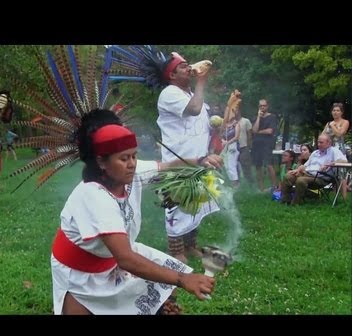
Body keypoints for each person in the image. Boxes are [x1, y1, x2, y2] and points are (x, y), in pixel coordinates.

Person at [51, 109, 218, 315]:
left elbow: (167, 166)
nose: (131, 164)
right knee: (173, 277)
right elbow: (127, 259)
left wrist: (200, 161)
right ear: (102, 162)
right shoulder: (94, 196)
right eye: (123, 159)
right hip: (80, 274)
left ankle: (160, 307)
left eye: (134, 156)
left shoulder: (131, 171)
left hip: (115, 259)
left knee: (165, 285)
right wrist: (183, 280)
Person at [156, 52, 219, 262]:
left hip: (198, 161)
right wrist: (202, 81)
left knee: (197, 205)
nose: (189, 68)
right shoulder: (169, 93)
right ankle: (176, 251)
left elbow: (201, 123)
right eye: (183, 66)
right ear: (172, 75)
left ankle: (191, 246)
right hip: (178, 162)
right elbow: (193, 110)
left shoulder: (190, 93)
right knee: (177, 207)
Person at [281, 134, 347, 205]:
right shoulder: (315, 152)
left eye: (321, 142)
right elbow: (305, 165)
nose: (318, 144)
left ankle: (296, 203)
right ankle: (286, 200)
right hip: (307, 173)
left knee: (301, 180)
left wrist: (330, 164)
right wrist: (298, 170)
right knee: (288, 176)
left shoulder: (334, 151)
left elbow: (344, 161)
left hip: (321, 178)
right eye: (318, 142)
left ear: (329, 143)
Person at [251, 98, 279, 192]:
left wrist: (259, 131)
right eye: (260, 106)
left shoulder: (272, 117)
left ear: (267, 106)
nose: (262, 107)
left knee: (269, 165)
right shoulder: (255, 118)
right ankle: (261, 189)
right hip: (256, 144)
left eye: (264, 105)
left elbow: (270, 131)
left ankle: (274, 187)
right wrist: (259, 117)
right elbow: (254, 131)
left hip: (267, 144)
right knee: (257, 166)